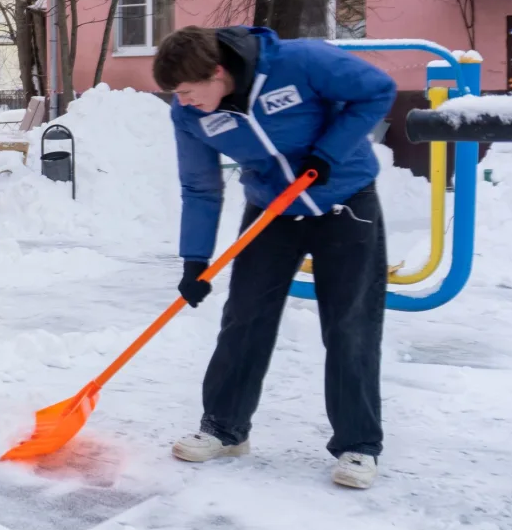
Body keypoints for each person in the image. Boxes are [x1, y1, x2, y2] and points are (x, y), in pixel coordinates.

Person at [154, 25, 396, 490]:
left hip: (344, 199)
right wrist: (195, 261)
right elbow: (199, 186)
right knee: (244, 316)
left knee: (350, 323)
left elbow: (376, 91)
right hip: (272, 209)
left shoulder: (298, 62)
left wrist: (329, 153)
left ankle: (358, 444)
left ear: (217, 72)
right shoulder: (189, 115)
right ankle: (225, 429)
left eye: (186, 91)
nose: (181, 102)